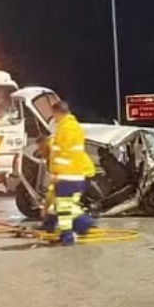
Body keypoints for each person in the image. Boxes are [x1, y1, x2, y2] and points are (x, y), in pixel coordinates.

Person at [45, 101, 96, 245]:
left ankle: (75, 229)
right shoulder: (76, 127)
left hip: (66, 174)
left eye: (53, 114)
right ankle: (67, 232)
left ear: (57, 112)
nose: (53, 118)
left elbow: (61, 153)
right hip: (78, 174)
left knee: (64, 208)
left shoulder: (64, 129)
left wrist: (56, 173)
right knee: (66, 205)